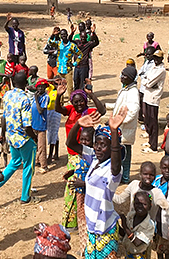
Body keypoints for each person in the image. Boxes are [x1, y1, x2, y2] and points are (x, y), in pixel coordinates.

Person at [66, 107, 127, 259]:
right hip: (91, 228)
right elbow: (71, 143)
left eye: (103, 144)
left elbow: (115, 164)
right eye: (97, 143)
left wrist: (113, 131)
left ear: (113, 148)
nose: (98, 147)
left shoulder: (113, 171)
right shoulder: (94, 158)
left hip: (105, 230)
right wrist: (78, 124)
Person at [55, 81, 106, 231]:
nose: (78, 104)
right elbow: (58, 109)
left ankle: (80, 222)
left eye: (81, 101)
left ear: (85, 101)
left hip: (84, 155)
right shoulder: (71, 111)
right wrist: (58, 96)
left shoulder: (89, 112)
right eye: (75, 102)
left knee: (80, 189)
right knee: (72, 189)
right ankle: (71, 222)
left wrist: (91, 94)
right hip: (72, 156)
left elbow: (102, 110)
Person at [0, 71, 38, 204]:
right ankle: (25, 197)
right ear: (26, 84)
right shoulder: (25, 99)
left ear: (13, 83)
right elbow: (27, 126)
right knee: (28, 167)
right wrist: (35, 138)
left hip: (11, 137)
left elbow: (4, 116)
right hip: (24, 139)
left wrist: (3, 133)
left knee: (13, 163)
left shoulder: (7, 94)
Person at [62, 126, 93, 252]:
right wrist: (73, 172)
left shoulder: (93, 156)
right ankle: (83, 248)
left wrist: (84, 184)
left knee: (87, 222)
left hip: (88, 195)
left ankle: (87, 249)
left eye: (87, 140)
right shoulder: (82, 155)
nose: (84, 142)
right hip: (80, 195)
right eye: (82, 140)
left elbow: (96, 177)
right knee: (81, 222)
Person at [113, 65, 140, 183]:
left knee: (125, 154)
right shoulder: (126, 89)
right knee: (121, 153)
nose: (121, 77)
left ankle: (124, 177)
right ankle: (121, 176)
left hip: (125, 128)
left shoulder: (133, 92)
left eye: (124, 75)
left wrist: (120, 121)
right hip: (121, 127)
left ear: (130, 78)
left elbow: (133, 110)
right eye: (121, 74)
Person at [141, 48, 167, 153]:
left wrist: (146, 81)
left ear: (161, 59)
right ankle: (150, 141)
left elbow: (149, 82)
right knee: (147, 118)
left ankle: (153, 146)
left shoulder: (161, 70)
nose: (156, 60)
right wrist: (146, 81)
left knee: (153, 121)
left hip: (153, 97)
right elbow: (144, 77)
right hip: (147, 95)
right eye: (155, 58)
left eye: (158, 58)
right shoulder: (153, 66)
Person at [119, 191, 156, 259]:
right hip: (128, 254)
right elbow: (125, 234)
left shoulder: (150, 225)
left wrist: (125, 226)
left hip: (140, 256)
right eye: (137, 203)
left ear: (150, 206)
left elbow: (137, 242)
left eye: (144, 204)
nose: (140, 206)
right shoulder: (131, 216)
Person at [31, 79, 51, 173]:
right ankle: (37, 161)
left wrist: (36, 99)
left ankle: (44, 165)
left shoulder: (45, 97)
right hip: (34, 123)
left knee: (42, 146)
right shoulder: (37, 96)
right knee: (35, 144)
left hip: (41, 124)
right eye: (38, 87)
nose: (40, 89)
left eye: (42, 87)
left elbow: (40, 110)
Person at [56, 28, 82, 100]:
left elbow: (80, 54)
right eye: (61, 35)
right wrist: (53, 35)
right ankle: (60, 104)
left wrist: (74, 64)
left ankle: (72, 103)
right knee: (59, 87)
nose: (63, 36)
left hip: (68, 70)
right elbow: (50, 43)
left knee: (70, 88)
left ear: (67, 35)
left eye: (64, 34)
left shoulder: (72, 45)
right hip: (59, 69)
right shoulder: (58, 44)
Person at [73, 27, 99, 91]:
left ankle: (82, 96)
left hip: (84, 66)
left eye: (84, 37)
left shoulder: (88, 44)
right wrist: (72, 32)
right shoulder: (77, 43)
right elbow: (69, 40)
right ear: (80, 37)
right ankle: (76, 94)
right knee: (76, 81)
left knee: (83, 82)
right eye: (82, 37)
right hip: (77, 66)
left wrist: (93, 33)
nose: (83, 38)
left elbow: (96, 42)